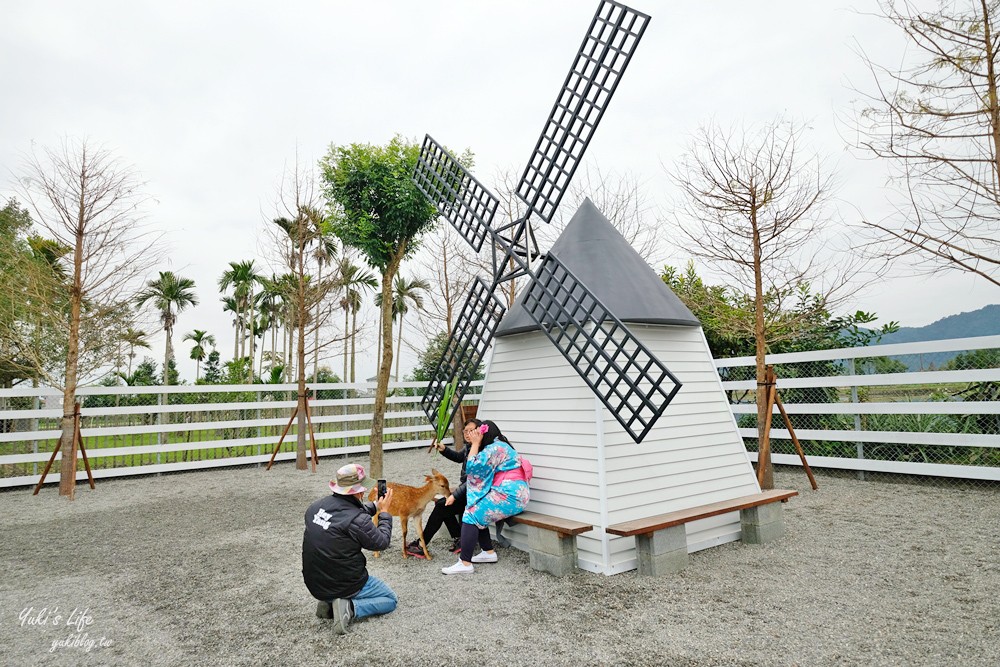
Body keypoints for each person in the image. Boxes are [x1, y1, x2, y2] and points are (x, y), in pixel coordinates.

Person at [302, 462, 397, 634]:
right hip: (346, 584)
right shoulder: (357, 520)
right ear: (359, 491)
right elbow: (381, 542)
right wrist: (385, 513)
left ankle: (329, 602)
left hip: (315, 583)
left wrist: (376, 506)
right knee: (390, 599)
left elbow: (346, 515)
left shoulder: (315, 507)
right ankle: (350, 607)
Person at [441, 420, 530, 575]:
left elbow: (473, 467)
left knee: (471, 515)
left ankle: (465, 563)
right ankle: (488, 552)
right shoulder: (501, 445)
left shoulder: (495, 448)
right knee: (478, 507)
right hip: (514, 493)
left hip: (509, 495)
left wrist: (475, 445)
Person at [403, 418, 481, 558]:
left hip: (476, 494)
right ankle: (460, 538)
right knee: (443, 503)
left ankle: (422, 544)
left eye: (471, 431)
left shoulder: (480, 451)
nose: (467, 434)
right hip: (468, 490)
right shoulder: (470, 447)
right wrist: (444, 450)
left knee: (442, 506)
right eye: (465, 431)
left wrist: (455, 494)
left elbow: (473, 481)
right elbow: (459, 457)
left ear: (479, 432)